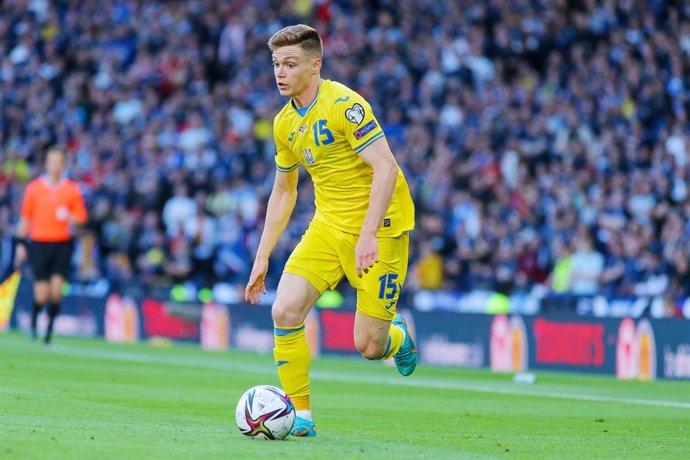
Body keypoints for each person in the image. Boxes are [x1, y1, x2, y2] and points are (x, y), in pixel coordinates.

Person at [244, 24, 416, 437]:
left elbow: (386, 166)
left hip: (382, 227)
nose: (280, 73)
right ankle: (300, 416)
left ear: (315, 65)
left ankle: (396, 337)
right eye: (275, 65)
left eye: (290, 64)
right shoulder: (284, 123)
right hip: (328, 224)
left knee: (369, 347)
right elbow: (284, 192)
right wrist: (263, 254)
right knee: (284, 310)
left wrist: (369, 234)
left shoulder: (345, 105)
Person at [14, 148, 88, 344]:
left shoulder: (71, 189)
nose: (55, 165)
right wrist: (20, 244)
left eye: (59, 162)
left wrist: (69, 216)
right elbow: (25, 219)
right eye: (52, 161)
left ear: (63, 165)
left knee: (56, 291)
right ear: (47, 164)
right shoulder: (34, 188)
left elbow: (81, 219)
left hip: (62, 244)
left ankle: (49, 331)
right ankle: (33, 322)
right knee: (41, 293)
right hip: (39, 243)